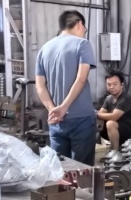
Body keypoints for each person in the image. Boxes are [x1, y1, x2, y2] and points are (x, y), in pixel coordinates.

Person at [35, 10, 97, 166]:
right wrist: (64, 107)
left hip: (56, 120)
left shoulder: (45, 48)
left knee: (60, 168)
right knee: (82, 170)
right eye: (85, 29)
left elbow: (40, 85)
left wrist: (53, 109)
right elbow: (81, 79)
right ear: (79, 24)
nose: (84, 33)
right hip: (81, 118)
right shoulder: (82, 44)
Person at [97, 71, 131, 150]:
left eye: (115, 84)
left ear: (121, 85)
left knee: (110, 123)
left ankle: (115, 152)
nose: (112, 87)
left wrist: (95, 114)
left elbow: (114, 117)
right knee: (96, 121)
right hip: (117, 130)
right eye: (109, 84)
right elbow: (100, 113)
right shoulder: (108, 99)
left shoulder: (125, 99)